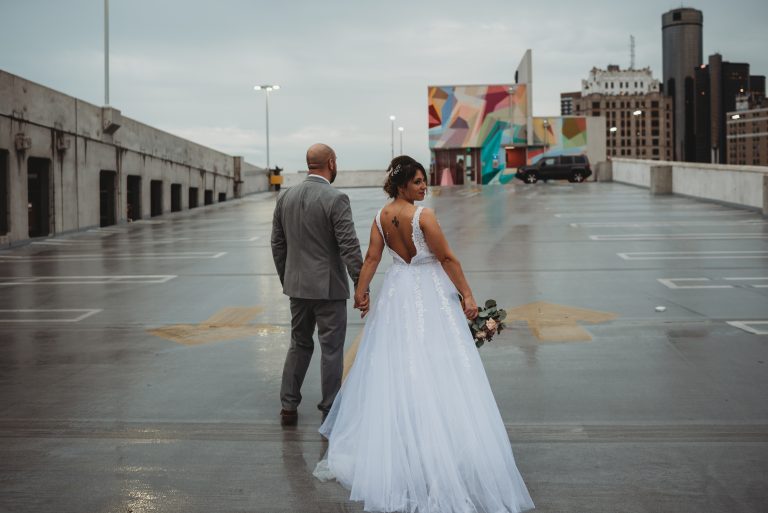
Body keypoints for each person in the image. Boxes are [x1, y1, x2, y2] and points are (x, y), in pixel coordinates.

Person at [313, 155, 534, 513]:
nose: (423, 187)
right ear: (402, 185)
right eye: (417, 182)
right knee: (439, 363)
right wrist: (468, 295)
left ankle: (407, 442)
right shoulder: (423, 216)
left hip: (398, 292)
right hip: (430, 292)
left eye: (424, 181)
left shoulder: (381, 216)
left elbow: (371, 260)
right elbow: (447, 259)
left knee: (400, 363)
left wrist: (363, 291)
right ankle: (442, 444)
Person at [271, 143, 366, 427]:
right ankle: (329, 410)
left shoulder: (285, 198)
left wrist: (288, 277)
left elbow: (278, 243)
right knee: (332, 349)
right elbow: (349, 245)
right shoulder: (336, 198)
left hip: (297, 288)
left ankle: (288, 406)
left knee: (298, 344)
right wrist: (361, 285)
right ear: (331, 163)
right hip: (328, 290)